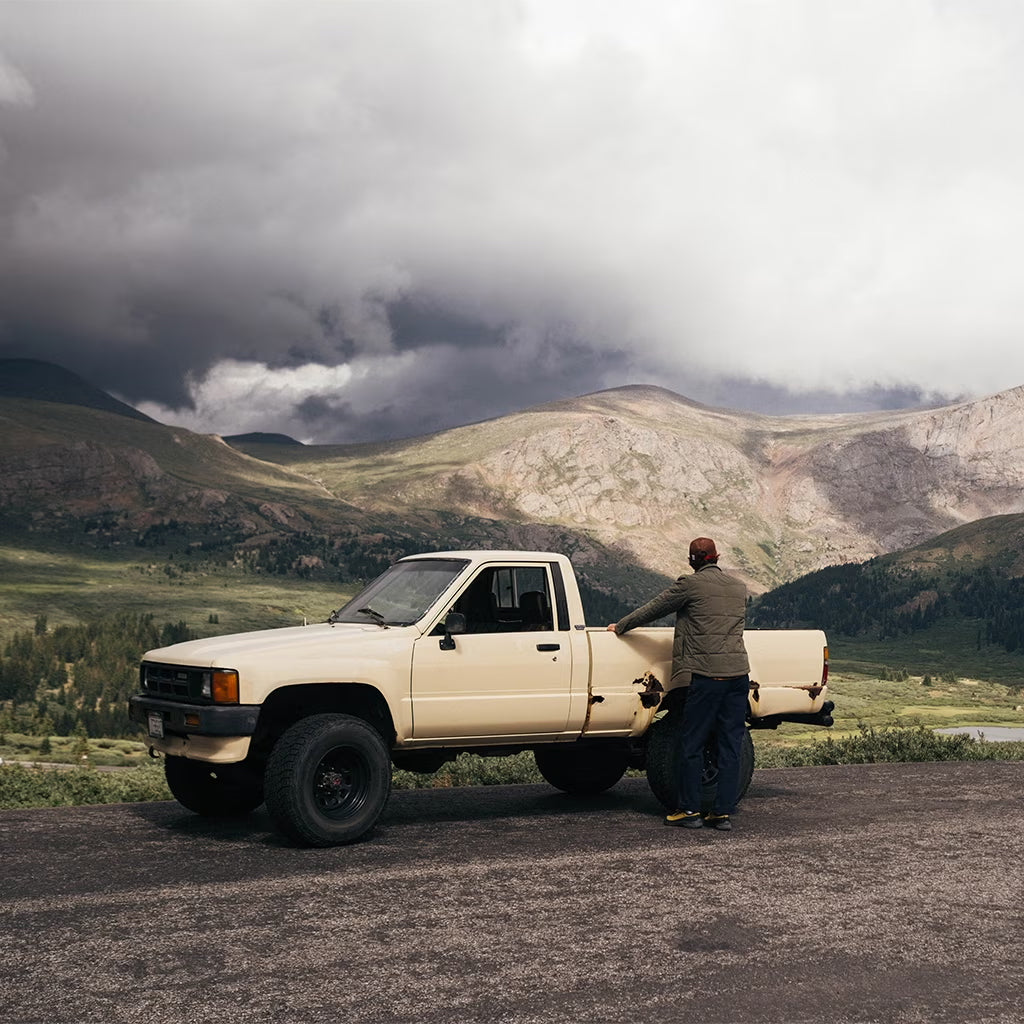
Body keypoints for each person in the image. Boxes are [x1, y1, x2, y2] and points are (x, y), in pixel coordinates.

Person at [607, 537, 749, 831]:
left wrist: (620, 626)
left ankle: (688, 810)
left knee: (692, 742)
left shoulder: (690, 585)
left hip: (707, 676)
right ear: (717, 556)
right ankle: (722, 813)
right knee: (729, 744)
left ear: (691, 561)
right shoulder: (738, 587)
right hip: (738, 676)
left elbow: (654, 609)